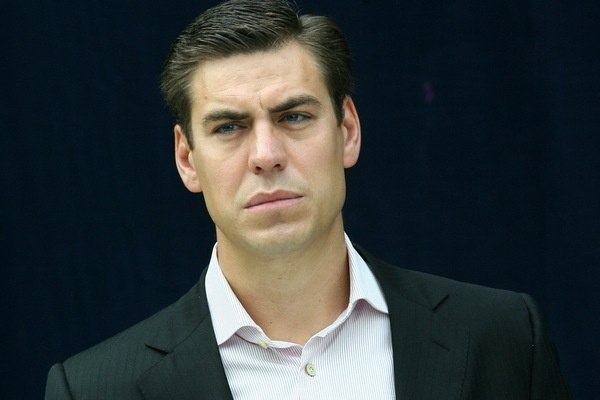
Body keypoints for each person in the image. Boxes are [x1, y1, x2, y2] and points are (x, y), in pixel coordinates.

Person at [45, 0, 573, 398]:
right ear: (187, 158)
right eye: (228, 127)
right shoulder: (94, 390)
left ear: (347, 130)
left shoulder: (503, 337)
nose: (266, 155)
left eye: (294, 116)